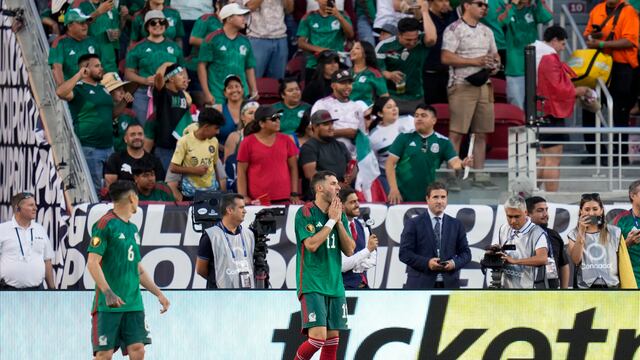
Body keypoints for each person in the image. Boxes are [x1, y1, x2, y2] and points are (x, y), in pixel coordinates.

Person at [87, 181, 170, 359]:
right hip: (108, 305)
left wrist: (159, 294)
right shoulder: (104, 224)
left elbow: (137, 269)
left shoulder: (132, 229)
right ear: (132, 197)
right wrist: (108, 292)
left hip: (133, 303)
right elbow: (92, 263)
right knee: (104, 354)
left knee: (138, 349)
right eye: (137, 196)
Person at [293, 171, 355, 360]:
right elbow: (311, 245)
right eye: (333, 184)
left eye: (338, 184)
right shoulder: (305, 212)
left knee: (332, 340)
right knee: (317, 339)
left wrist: (338, 221)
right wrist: (330, 221)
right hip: (313, 283)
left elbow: (350, 249)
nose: (338, 187)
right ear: (319, 188)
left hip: (335, 285)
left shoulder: (338, 213)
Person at [441, 0, 500, 189]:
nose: (484, 7)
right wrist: (476, 61)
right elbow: (445, 57)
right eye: (480, 3)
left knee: (482, 132)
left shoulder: (487, 30)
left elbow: (495, 55)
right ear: (466, 5)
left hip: (484, 84)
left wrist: (495, 64)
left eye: (486, 5)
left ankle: (479, 174)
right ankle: (452, 173)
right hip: (461, 84)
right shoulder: (454, 28)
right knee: (457, 132)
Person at [582, 0, 639, 165]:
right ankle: (594, 153)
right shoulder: (597, 9)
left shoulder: (629, 11)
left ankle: (619, 156)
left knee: (620, 111)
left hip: (622, 66)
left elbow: (630, 41)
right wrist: (594, 36)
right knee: (590, 106)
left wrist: (602, 43)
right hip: (599, 64)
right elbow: (587, 35)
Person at [534, 26, 591, 192]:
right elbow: (556, 88)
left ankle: (531, 194)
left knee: (545, 158)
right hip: (550, 111)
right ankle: (552, 200)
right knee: (553, 158)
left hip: (541, 110)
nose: (564, 48)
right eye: (563, 44)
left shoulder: (538, 54)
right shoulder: (548, 58)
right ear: (554, 41)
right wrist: (577, 91)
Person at [385, 104, 472, 204]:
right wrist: (393, 189)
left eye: (423, 116)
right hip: (401, 195)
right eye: (416, 116)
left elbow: (455, 162)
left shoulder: (443, 142)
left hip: (428, 197)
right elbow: (390, 163)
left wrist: (463, 164)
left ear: (434, 120)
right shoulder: (404, 137)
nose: (419, 118)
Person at [56, 54, 114, 190]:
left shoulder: (103, 88)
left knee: (112, 189)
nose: (101, 68)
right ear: (85, 69)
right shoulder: (79, 89)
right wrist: (78, 76)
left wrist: (124, 102)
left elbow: (111, 115)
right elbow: (60, 93)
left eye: (101, 65)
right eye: (97, 66)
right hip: (90, 148)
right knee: (95, 189)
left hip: (109, 146)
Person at [399, 182, 471, 288]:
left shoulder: (456, 224)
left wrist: (453, 263)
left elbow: (466, 254)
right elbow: (404, 254)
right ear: (427, 199)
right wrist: (427, 263)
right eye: (435, 197)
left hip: (449, 285)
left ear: (447, 199)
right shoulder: (413, 224)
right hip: (420, 286)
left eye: (443, 197)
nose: (439, 201)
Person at [125, 10, 184, 125]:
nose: (158, 25)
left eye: (161, 22)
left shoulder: (175, 47)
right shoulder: (137, 48)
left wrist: (183, 87)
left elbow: (182, 70)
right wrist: (144, 80)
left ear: (165, 25)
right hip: (144, 92)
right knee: (143, 126)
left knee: (167, 127)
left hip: (169, 92)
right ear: (147, 26)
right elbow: (128, 73)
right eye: (153, 23)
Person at [375, 9, 437, 114]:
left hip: (416, 97)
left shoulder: (421, 42)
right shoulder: (384, 46)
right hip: (392, 96)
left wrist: (425, 11)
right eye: (408, 40)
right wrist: (389, 74)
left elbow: (431, 38)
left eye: (415, 39)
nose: (412, 42)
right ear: (399, 34)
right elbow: (375, 71)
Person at [568, 193, 636, 288]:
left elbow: (621, 258)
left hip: (611, 286)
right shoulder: (574, 233)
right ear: (581, 211)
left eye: (595, 209)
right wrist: (581, 232)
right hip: (585, 288)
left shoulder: (615, 232)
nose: (591, 213)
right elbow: (576, 260)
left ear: (601, 210)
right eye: (587, 209)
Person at [237, 106, 301, 204]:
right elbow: (241, 171)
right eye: (274, 119)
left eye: (279, 117)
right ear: (262, 123)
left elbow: (293, 168)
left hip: (284, 198)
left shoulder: (286, 140)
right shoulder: (247, 142)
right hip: (258, 200)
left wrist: (294, 193)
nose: (278, 121)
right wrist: (243, 196)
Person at [198, 3, 258, 106]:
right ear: (229, 18)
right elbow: (202, 66)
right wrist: (207, 93)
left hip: (241, 93)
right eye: (240, 15)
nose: (244, 19)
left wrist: (254, 90)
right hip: (217, 94)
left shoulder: (245, 41)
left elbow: (249, 67)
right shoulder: (212, 39)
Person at [196, 193, 256, 288]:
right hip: (219, 295)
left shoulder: (249, 234)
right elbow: (200, 269)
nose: (245, 211)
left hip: (246, 295)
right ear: (229, 210)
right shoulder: (211, 235)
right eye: (241, 207)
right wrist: (217, 280)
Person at [501, 0, 553, 109]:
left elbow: (547, 17)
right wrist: (514, 5)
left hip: (534, 63)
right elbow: (501, 22)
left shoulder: (532, 10)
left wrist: (538, 2)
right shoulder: (507, 8)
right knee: (516, 104)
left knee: (535, 105)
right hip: (515, 66)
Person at [0, 192, 56, 290]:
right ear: (18, 208)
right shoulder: (2, 229)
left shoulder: (40, 229)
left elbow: (47, 261)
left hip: (37, 291)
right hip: (8, 292)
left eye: (35, 205)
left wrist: (53, 289)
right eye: (31, 205)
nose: (35, 208)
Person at [492, 195, 548, 289]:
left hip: (529, 290)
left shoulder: (537, 232)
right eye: (509, 216)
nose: (513, 221)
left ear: (525, 212)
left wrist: (515, 261)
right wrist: (493, 252)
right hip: (505, 288)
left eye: (517, 216)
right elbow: (495, 247)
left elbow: (542, 258)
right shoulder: (504, 229)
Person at [169, 107, 226, 198]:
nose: (218, 132)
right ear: (206, 127)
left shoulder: (214, 141)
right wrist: (194, 170)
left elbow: (214, 166)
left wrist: (219, 191)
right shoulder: (184, 141)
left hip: (211, 193)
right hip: (191, 194)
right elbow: (173, 168)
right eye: (216, 128)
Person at [143, 62, 190, 169]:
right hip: (165, 148)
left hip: (180, 147)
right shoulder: (163, 93)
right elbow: (159, 77)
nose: (184, 78)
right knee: (165, 180)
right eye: (180, 75)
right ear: (171, 78)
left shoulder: (182, 94)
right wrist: (164, 64)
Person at [299, 110, 353, 200]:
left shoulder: (340, 145)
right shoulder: (309, 147)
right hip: (319, 198)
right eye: (326, 124)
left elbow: (352, 166)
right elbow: (311, 175)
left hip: (341, 194)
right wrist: (336, 185)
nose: (331, 127)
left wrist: (348, 179)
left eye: (332, 124)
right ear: (315, 127)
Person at [297, 0, 354, 83]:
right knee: (313, 94)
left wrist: (338, 16)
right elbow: (301, 43)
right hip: (314, 63)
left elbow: (350, 35)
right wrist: (320, 50)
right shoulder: (309, 17)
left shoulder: (342, 14)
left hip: (336, 63)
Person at [311, 69, 365, 157]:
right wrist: (344, 132)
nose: (348, 86)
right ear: (333, 85)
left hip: (353, 157)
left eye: (350, 83)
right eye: (343, 83)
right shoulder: (322, 104)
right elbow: (313, 131)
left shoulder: (357, 107)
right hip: (328, 154)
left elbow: (363, 135)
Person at [368, 96, 413, 191]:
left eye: (395, 106)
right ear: (380, 113)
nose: (394, 109)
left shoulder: (409, 120)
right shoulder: (374, 136)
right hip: (388, 176)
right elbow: (373, 163)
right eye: (389, 107)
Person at [526, 196, 570, 289]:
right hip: (529, 289)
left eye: (546, 210)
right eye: (540, 210)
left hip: (552, 289)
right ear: (528, 214)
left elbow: (563, 264)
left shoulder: (553, 234)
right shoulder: (521, 236)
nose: (545, 214)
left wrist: (564, 291)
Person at [48, 8, 100, 85]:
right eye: (80, 22)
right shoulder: (59, 43)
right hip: (75, 90)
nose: (85, 26)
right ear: (69, 26)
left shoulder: (92, 41)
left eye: (85, 22)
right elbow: (57, 69)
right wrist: (64, 91)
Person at [339, 186, 378, 289]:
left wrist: (355, 264)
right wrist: (367, 250)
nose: (357, 205)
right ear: (342, 206)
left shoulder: (362, 226)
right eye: (352, 202)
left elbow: (373, 259)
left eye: (357, 201)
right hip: (343, 288)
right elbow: (342, 266)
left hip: (363, 286)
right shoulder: (336, 228)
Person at [243, 0, 293, 79]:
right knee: (254, 79)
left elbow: (290, 9)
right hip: (257, 38)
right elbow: (251, 6)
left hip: (280, 37)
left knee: (278, 82)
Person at [104, 123, 165, 187]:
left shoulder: (154, 161)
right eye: (132, 134)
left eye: (140, 134)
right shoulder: (115, 159)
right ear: (125, 139)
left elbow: (160, 187)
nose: (137, 137)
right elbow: (111, 188)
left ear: (144, 137)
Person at [423, 0, 457, 105]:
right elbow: (429, 40)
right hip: (430, 74)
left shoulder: (453, 16)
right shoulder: (425, 19)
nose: (445, 4)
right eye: (441, 0)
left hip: (450, 74)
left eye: (447, 0)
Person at [73, 0, 122, 73]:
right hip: (90, 60)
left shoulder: (108, 5)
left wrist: (116, 32)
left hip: (109, 60)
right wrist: (98, 12)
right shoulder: (79, 4)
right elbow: (76, 27)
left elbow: (117, 28)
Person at [100, 72, 138, 154]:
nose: (122, 92)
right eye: (117, 89)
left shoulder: (129, 114)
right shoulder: (100, 113)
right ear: (108, 93)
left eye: (122, 88)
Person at [612, 180, 640, 285]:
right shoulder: (621, 220)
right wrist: (627, 243)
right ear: (632, 195)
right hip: (631, 277)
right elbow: (611, 251)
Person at [349, 41, 389, 106]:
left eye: (357, 48)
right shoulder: (346, 72)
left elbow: (384, 97)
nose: (352, 50)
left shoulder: (374, 74)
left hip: (366, 111)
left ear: (365, 53)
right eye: (352, 48)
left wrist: (373, 110)